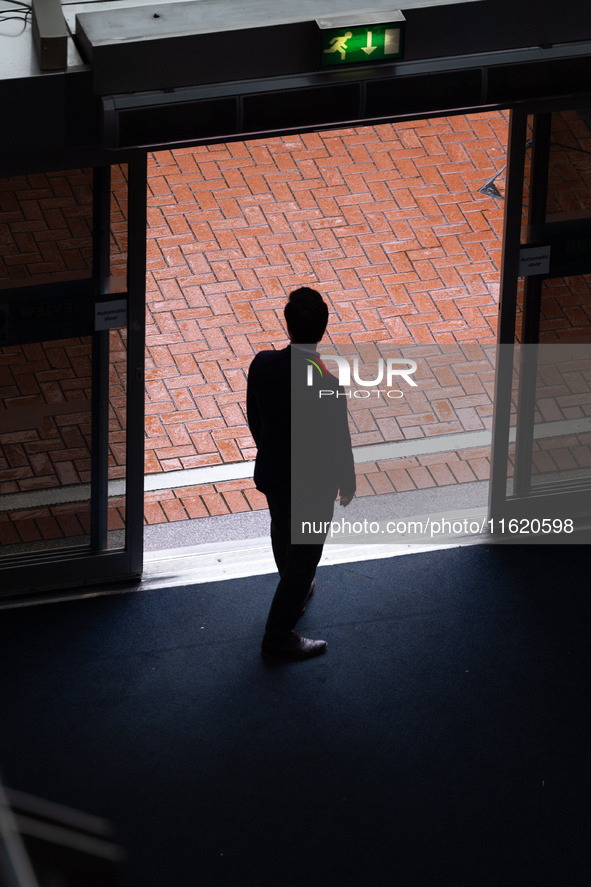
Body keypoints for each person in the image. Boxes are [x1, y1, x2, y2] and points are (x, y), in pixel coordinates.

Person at [246, 287, 356, 660]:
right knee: (305, 556)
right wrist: (347, 480)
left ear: (287, 325)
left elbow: (255, 420)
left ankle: (295, 586)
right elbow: (338, 441)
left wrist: (272, 452)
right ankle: (277, 635)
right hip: (311, 486)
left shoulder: (262, 364)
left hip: (274, 475)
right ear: (322, 331)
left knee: (281, 528)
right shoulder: (327, 383)